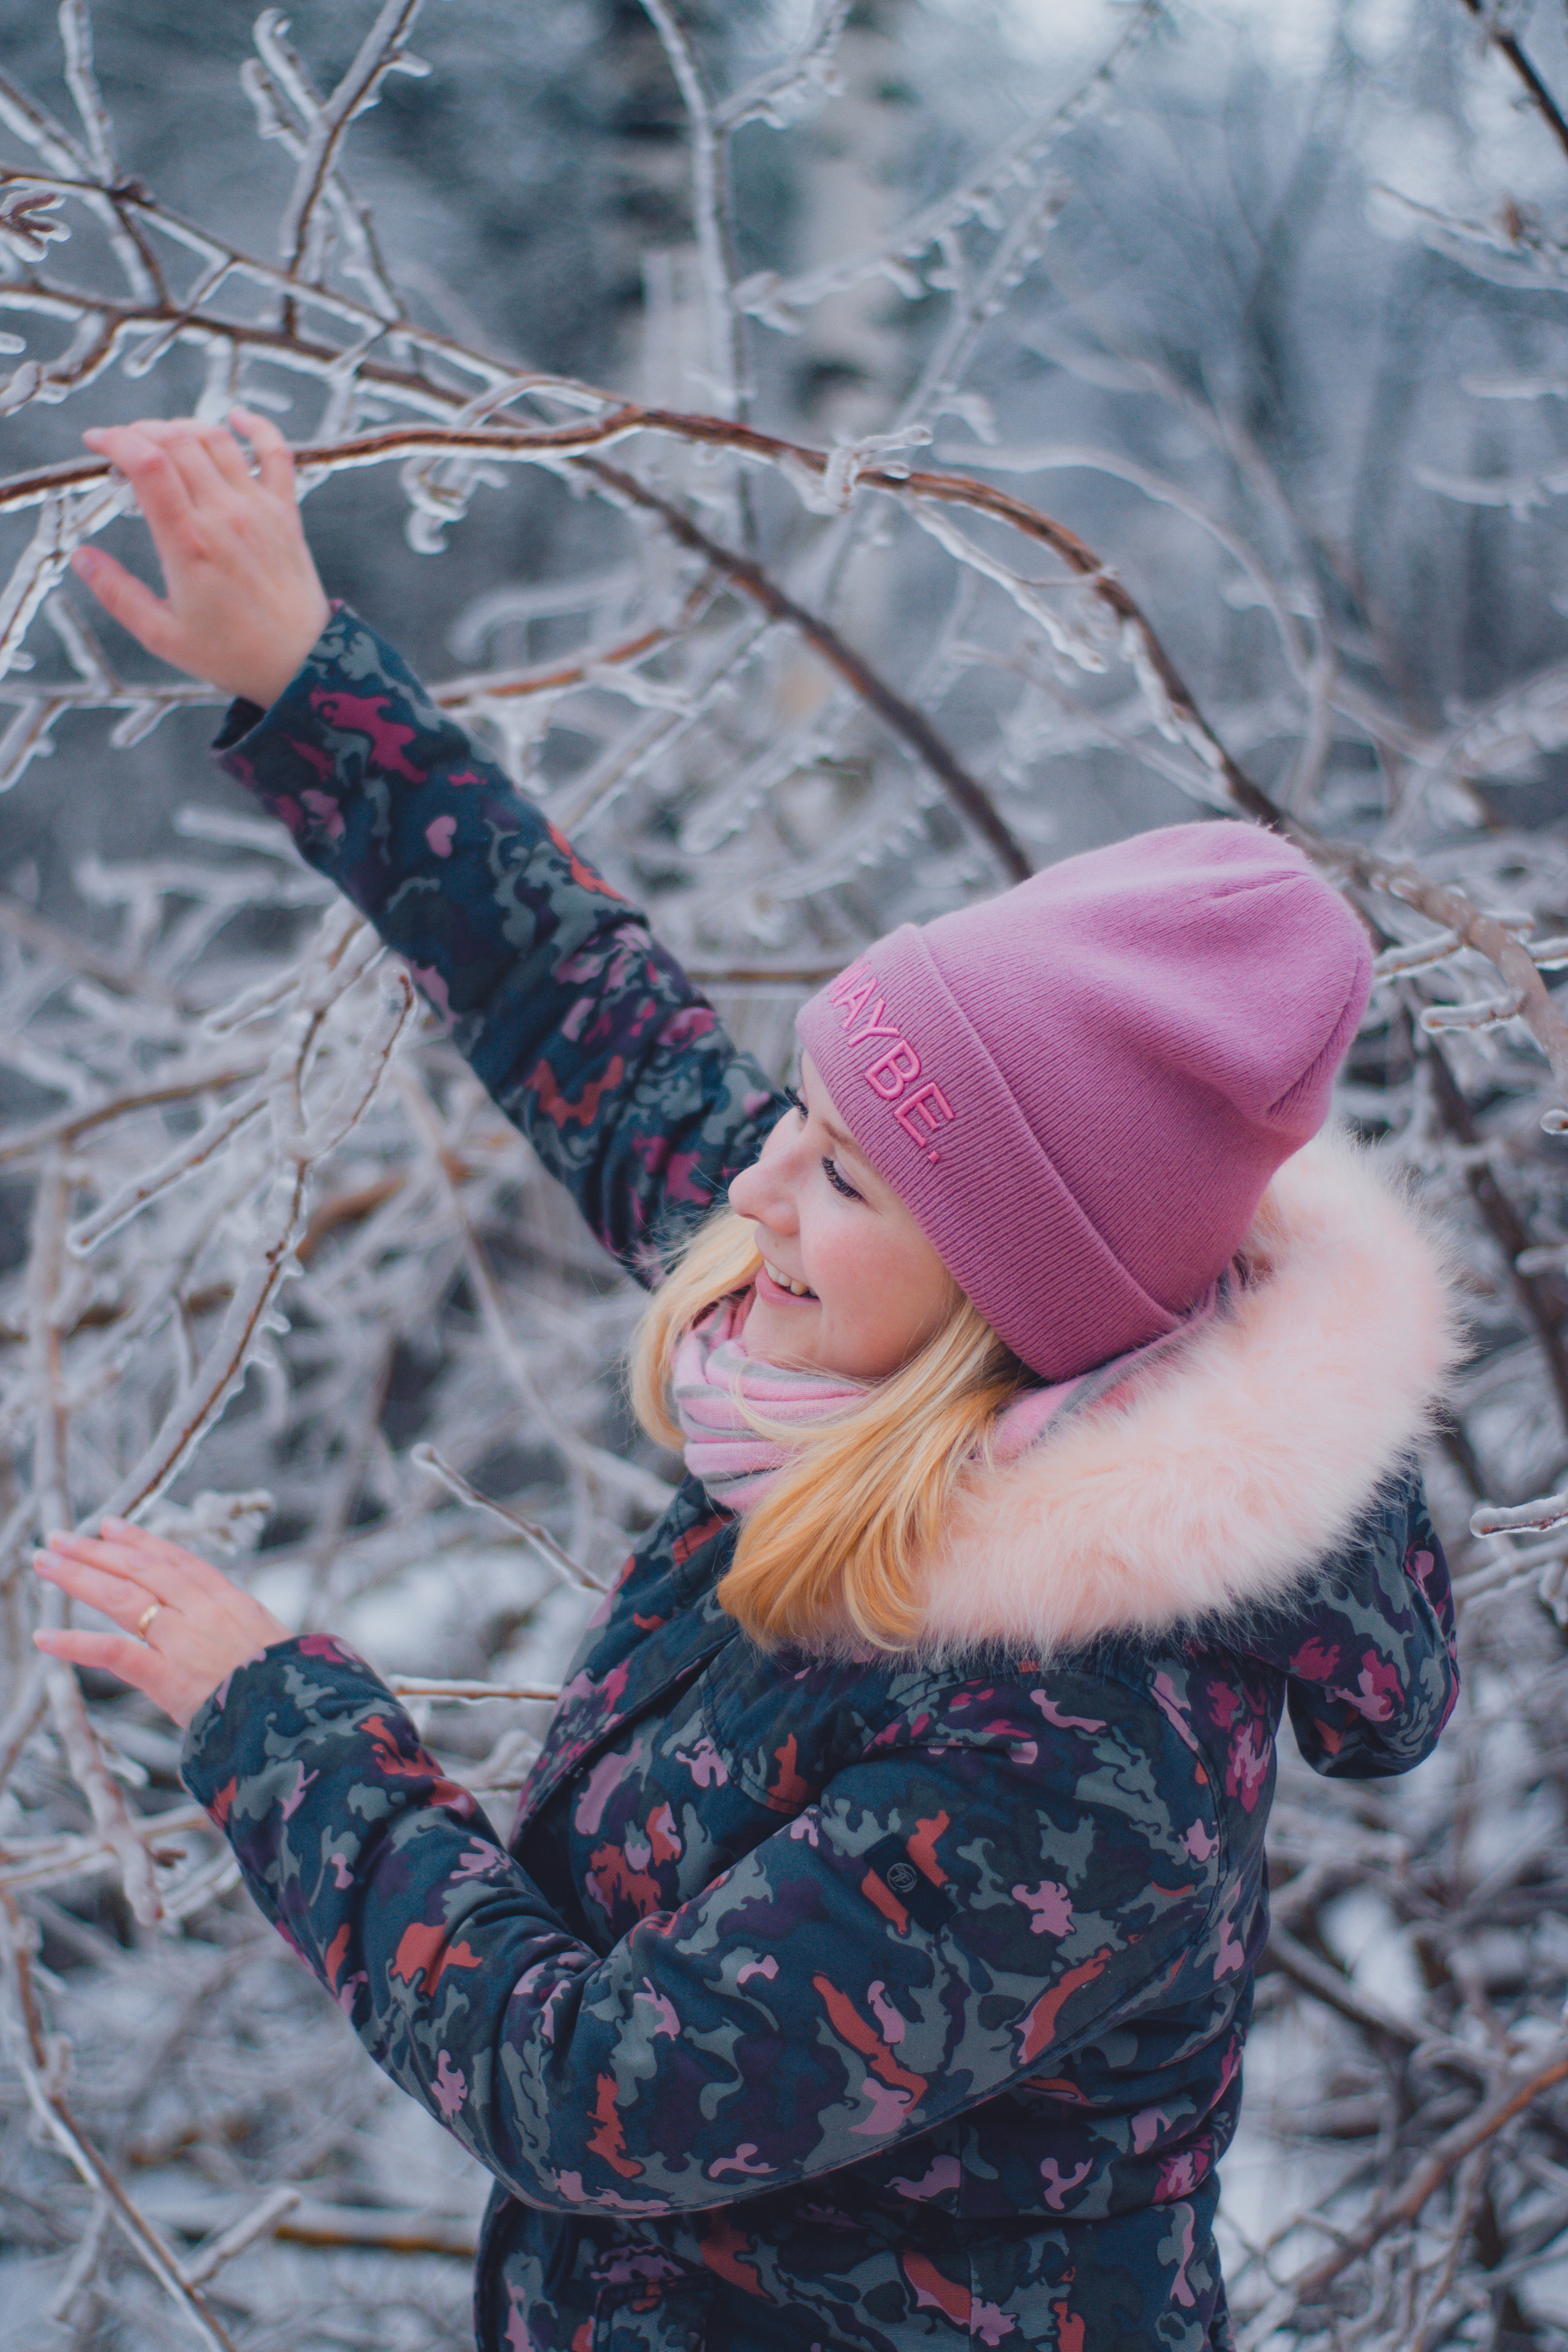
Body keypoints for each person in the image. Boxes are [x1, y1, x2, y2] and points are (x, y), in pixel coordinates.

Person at [32, 413, 1465, 2352]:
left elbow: (598, 2092)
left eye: (849, 1170)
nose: (763, 1184)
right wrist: (306, 673)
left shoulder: (1079, 1736)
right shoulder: (877, 1329)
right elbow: (587, 1019)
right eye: (805, 1108)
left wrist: (268, 1720)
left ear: (1010, 1292)